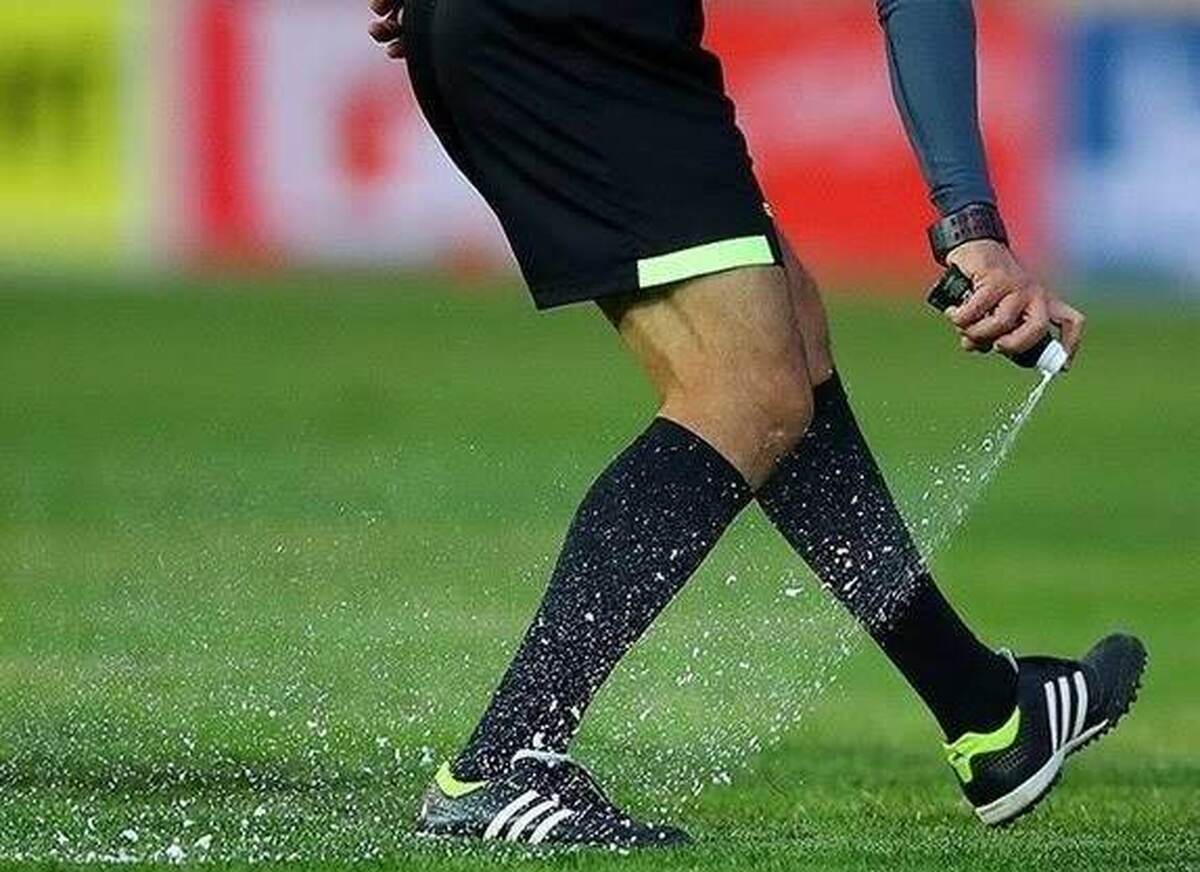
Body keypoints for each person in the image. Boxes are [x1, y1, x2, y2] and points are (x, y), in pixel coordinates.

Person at [368, 0, 1146, 847]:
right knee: (746, 392)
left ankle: (988, 712)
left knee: (788, 336)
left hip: (544, 29)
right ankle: (505, 759)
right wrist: (972, 227)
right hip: (577, 33)